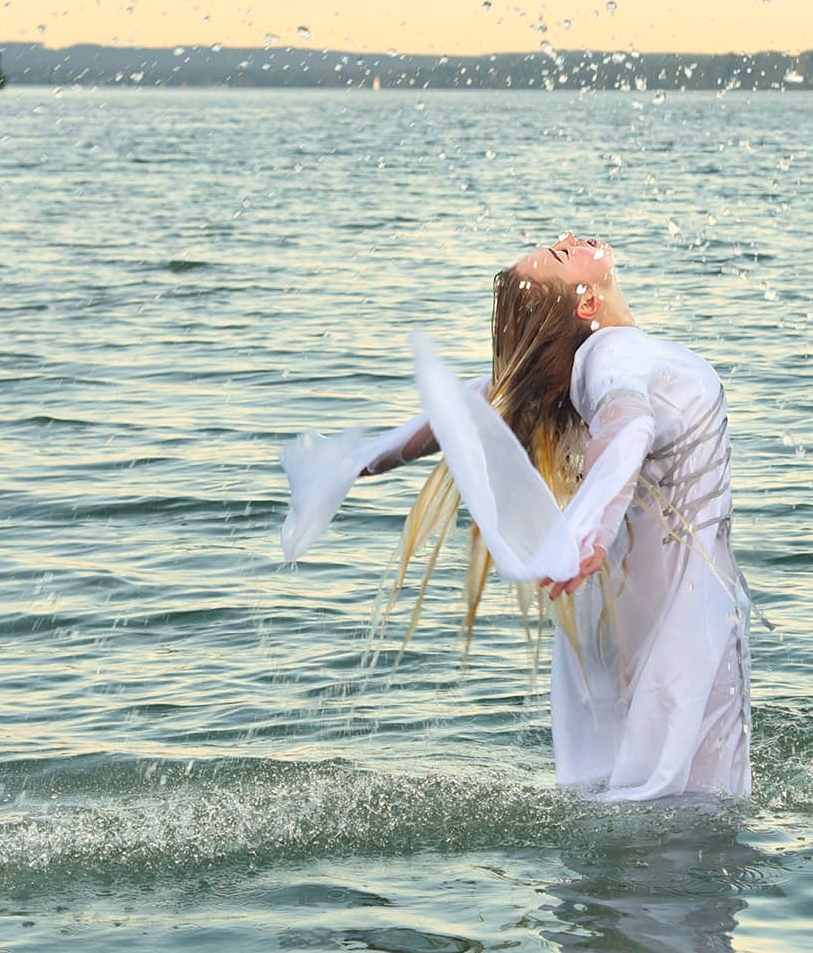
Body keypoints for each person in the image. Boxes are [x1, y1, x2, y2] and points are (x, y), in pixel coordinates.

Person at [289, 232, 752, 801]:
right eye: (561, 255)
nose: (567, 239)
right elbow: (625, 423)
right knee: (697, 796)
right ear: (587, 306)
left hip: (620, 603)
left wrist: (357, 462)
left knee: (630, 783)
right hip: (672, 599)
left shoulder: (572, 373)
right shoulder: (615, 352)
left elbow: (463, 412)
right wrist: (594, 525)